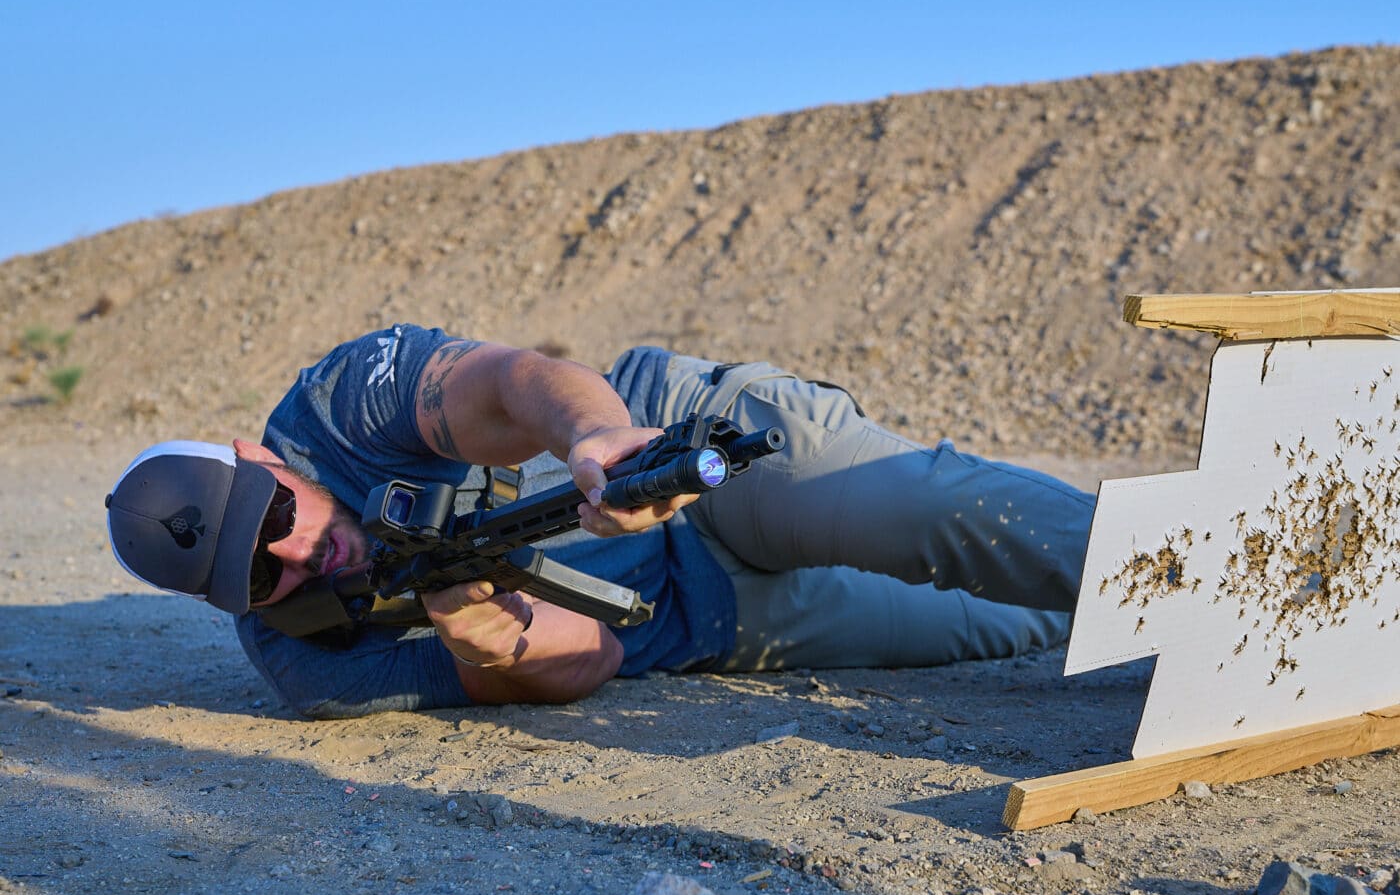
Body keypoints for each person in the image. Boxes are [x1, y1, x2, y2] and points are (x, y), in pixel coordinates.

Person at [106, 324, 1094, 719]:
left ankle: (1197, 562)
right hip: (717, 624)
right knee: (1017, 627)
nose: (296, 554)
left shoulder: (340, 404)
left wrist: (600, 442)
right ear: (223, 604)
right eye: (253, 574)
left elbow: (510, 380)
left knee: (934, 515)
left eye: (276, 512)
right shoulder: (307, 658)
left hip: (684, 454)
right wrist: (494, 640)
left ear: (257, 457)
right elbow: (589, 660)